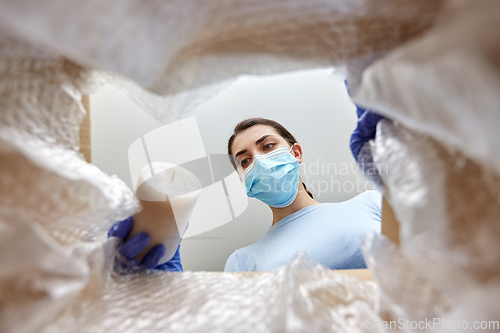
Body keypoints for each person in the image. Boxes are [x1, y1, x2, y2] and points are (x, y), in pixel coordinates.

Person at [223, 117, 382, 271]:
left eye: (268, 146)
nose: (259, 161)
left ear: (296, 153)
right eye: (245, 161)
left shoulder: (372, 202)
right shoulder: (241, 262)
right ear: (243, 180)